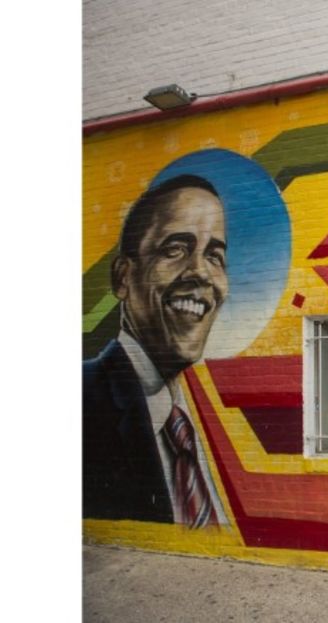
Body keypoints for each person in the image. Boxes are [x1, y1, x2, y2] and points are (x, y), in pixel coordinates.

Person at [84, 175, 230, 527]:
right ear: (123, 278)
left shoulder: (202, 425)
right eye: (175, 249)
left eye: (215, 256)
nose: (201, 273)